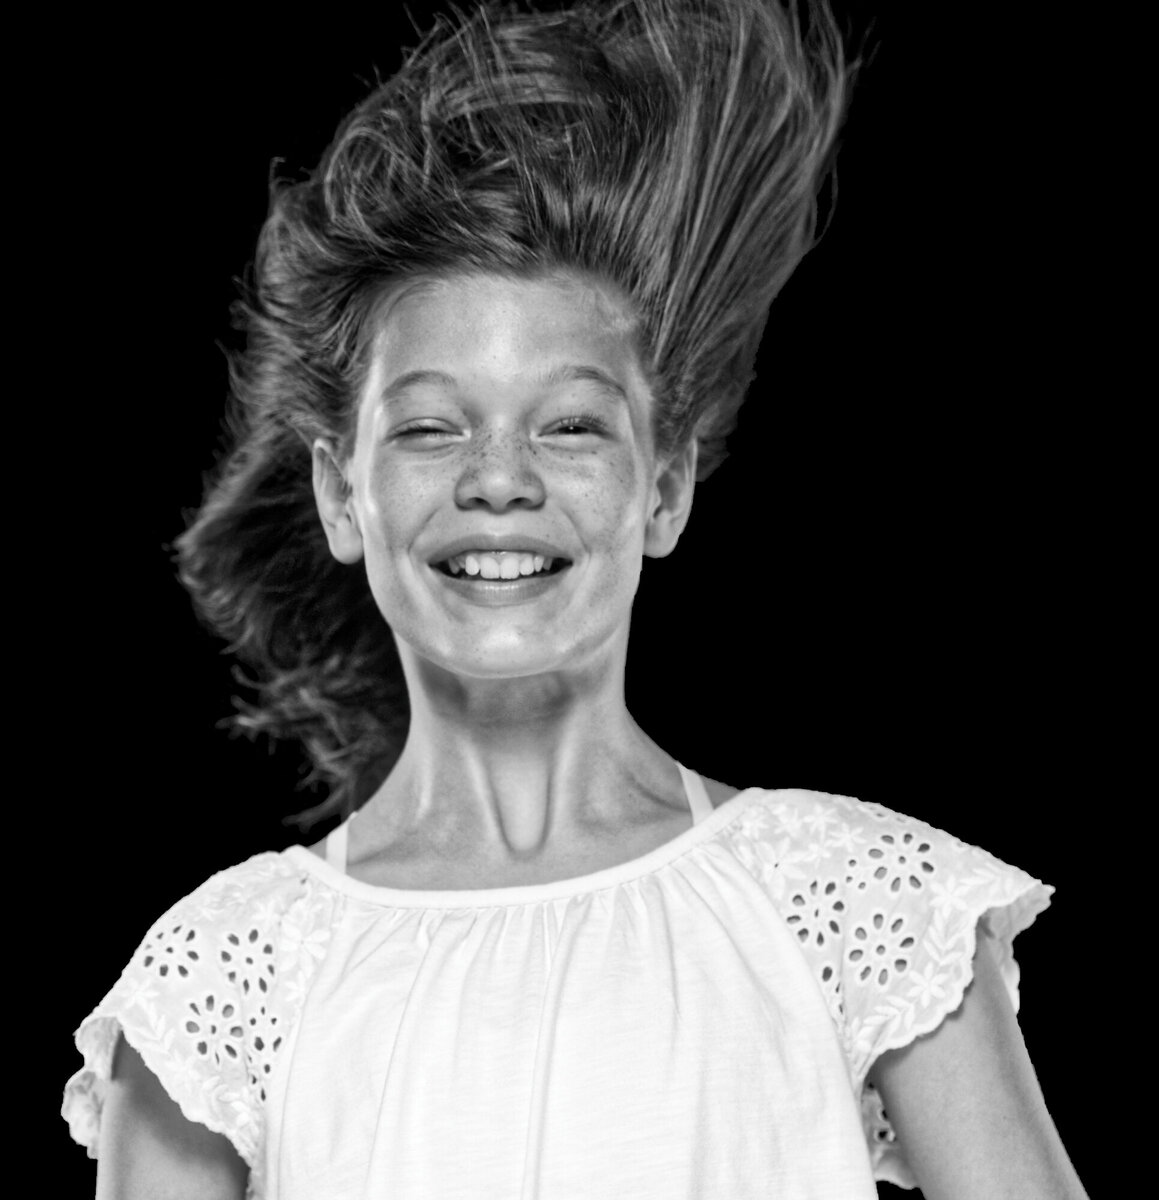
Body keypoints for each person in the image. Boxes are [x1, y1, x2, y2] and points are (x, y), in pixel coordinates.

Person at [62, 1, 1088, 1197]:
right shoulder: (219, 982)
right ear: (344, 496)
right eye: (435, 427)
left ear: (664, 489)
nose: (501, 479)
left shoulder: (866, 907)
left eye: (570, 424)